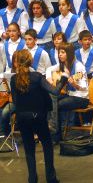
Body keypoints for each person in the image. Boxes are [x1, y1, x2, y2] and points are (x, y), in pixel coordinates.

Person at [10, 49, 68, 183]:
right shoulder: (37, 77)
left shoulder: (13, 79)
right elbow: (55, 91)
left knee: (29, 149)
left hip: (23, 118)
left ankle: (32, 178)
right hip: (38, 117)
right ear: (30, 61)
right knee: (47, 146)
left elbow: (15, 101)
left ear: (16, 63)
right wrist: (64, 78)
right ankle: (51, 178)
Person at [46, 43, 89, 142]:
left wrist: (74, 84)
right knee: (49, 101)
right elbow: (49, 69)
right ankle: (54, 132)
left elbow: (84, 88)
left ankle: (55, 134)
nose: (60, 55)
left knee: (56, 105)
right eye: (59, 52)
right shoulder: (62, 65)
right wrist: (50, 79)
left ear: (69, 53)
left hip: (81, 98)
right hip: (69, 95)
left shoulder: (79, 67)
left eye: (62, 52)